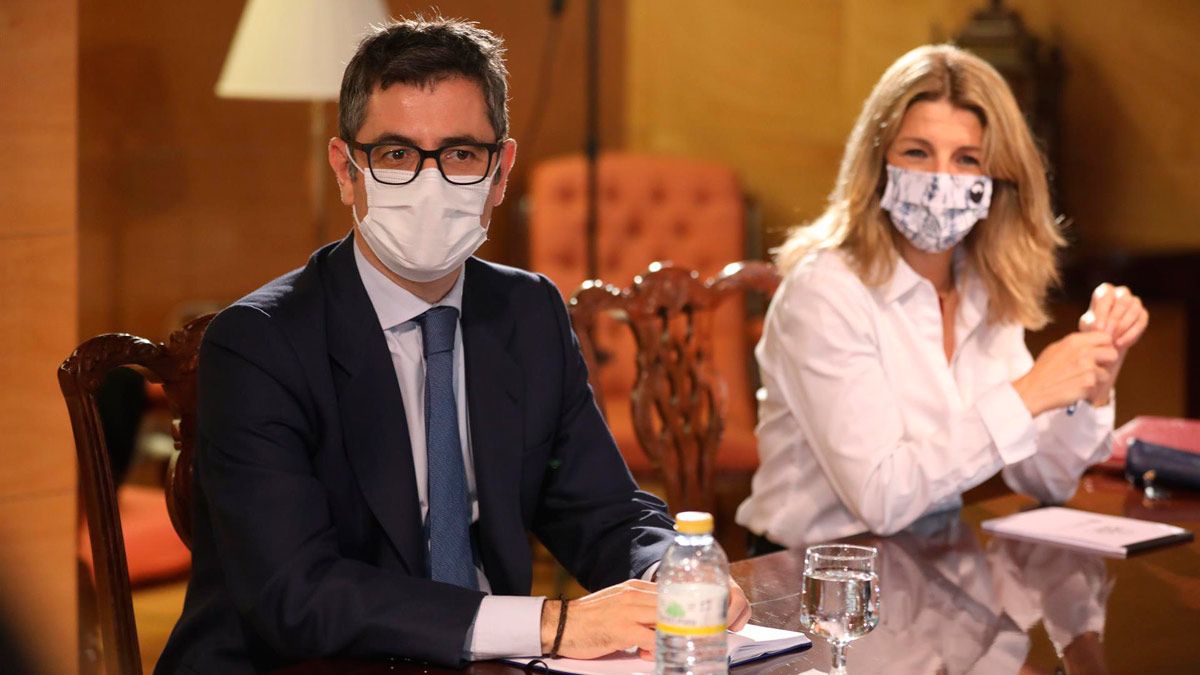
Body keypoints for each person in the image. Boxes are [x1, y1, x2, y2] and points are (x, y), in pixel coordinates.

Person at [157, 17, 748, 673]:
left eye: (462, 154)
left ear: (500, 173)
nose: (429, 184)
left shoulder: (528, 310)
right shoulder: (259, 343)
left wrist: (677, 571)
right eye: (397, 154)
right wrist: (551, 623)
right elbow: (296, 594)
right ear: (346, 169)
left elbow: (602, 507)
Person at [736, 44, 1149, 550]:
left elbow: (1047, 482)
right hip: (805, 577)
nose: (939, 180)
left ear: (995, 181)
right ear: (878, 163)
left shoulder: (984, 284)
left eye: (967, 159)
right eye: (917, 152)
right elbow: (881, 497)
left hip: (929, 567)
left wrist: (1095, 386)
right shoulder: (824, 291)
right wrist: (1028, 394)